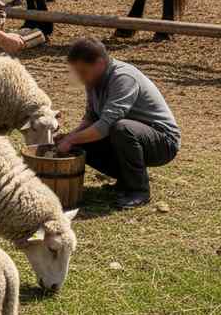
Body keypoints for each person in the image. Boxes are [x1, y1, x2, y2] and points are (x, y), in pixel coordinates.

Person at [56, 37, 180, 210]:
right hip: (129, 136)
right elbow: (91, 118)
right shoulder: (93, 80)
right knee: (80, 143)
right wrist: (69, 137)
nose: (80, 78)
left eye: (83, 72)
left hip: (163, 142)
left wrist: (72, 140)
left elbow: (105, 125)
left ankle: (139, 191)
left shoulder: (123, 77)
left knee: (121, 128)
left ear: (99, 63)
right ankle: (125, 181)